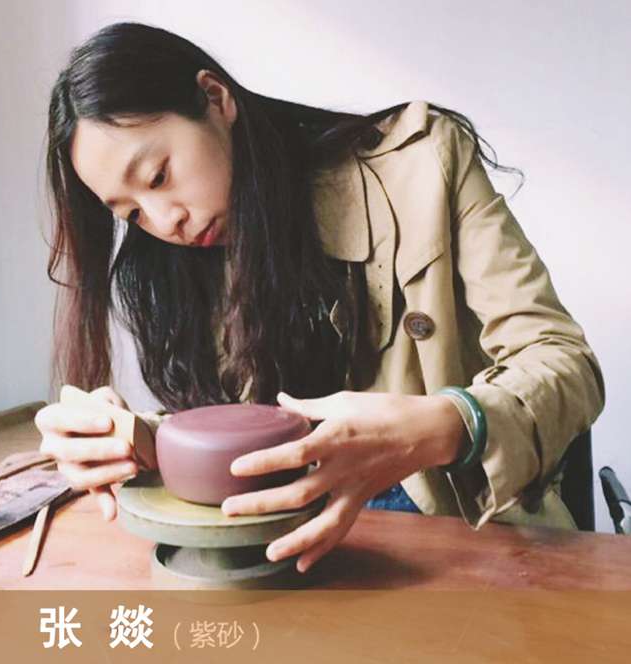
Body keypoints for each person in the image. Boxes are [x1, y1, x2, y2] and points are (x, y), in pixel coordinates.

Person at [34, 21, 605, 574]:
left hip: (463, 536)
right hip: (291, 549)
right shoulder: (177, 267)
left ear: (215, 98)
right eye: (132, 214)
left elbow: (565, 362)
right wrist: (134, 440)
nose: (165, 221)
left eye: (159, 176)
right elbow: (250, 434)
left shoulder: (425, 164)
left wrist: (442, 425)